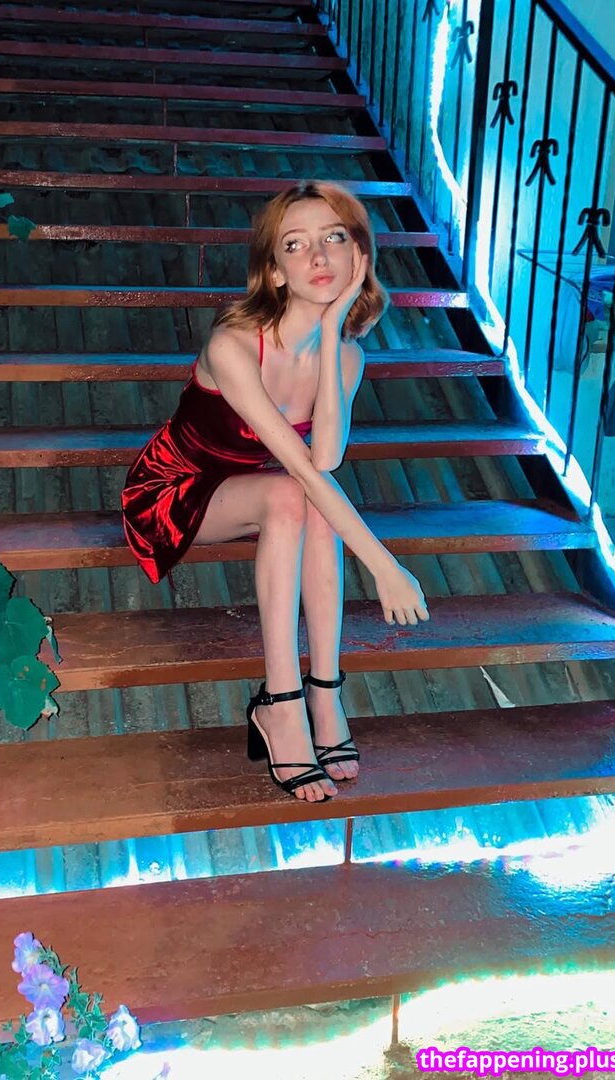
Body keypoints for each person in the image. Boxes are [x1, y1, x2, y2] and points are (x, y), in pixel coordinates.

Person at [121, 181, 429, 804]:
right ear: (275, 271)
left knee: (304, 496)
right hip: (174, 489)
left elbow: (326, 458)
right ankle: (281, 704)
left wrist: (335, 329)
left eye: (333, 238)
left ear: (358, 256)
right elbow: (310, 474)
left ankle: (324, 693)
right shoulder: (233, 344)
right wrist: (384, 567)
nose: (317, 256)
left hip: (259, 483)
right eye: (295, 245)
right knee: (295, 494)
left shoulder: (347, 357)